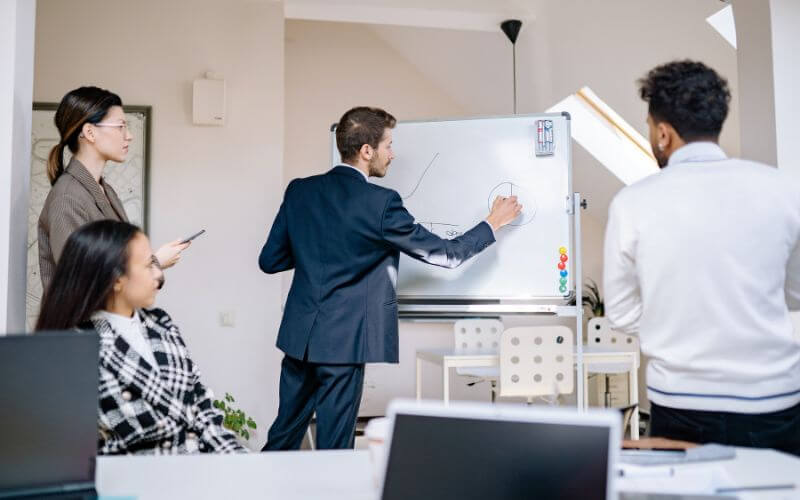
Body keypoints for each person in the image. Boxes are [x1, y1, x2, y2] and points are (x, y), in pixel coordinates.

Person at [259, 106, 522, 450]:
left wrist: (316, 247)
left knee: (282, 438)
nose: (392, 154)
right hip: (343, 345)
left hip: (300, 340)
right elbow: (446, 255)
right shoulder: (380, 203)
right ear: (366, 151)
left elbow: (270, 260)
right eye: (388, 145)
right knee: (333, 449)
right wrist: (492, 223)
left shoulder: (300, 191)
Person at [604, 60, 800, 455]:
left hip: (680, 404)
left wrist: (676, 325)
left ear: (663, 132)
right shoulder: (782, 189)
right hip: (773, 401)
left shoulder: (633, 203)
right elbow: (795, 292)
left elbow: (621, 311)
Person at [36, 220, 246, 455]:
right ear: (116, 280)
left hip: (201, 470)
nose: (159, 275)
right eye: (149, 265)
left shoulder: (161, 324)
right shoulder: (78, 349)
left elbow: (201, 404)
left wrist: (237, 462)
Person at [38, 86, 188, 292]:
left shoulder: (104, 190)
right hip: (84, 324)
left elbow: (114, 264)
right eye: (120, 126)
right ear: (89, 132)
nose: (129, 136)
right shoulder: (67, 198)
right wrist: (154, 263)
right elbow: (82, 282)